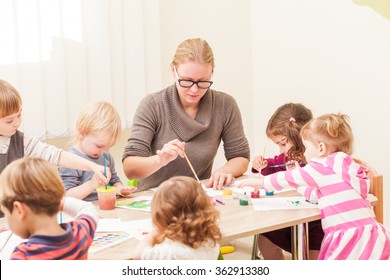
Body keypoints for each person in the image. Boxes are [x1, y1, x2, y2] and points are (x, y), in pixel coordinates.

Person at [239, 113, 390, 260]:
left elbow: (287, 178)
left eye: (305, 147)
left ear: (321, 148)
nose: (304, 152)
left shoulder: (321, 165)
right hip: (372, 235)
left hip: (346, 238)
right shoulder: (347, 167)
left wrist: (260, 183)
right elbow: (318, 195)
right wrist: (300, 185)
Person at [122, 38, 250, 191]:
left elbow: (240, 157)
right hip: (155, 200)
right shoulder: (152, 104)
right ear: (173, 71)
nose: (194, 90)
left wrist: (224, 171)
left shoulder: (225, 105)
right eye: (187, 81)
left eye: (203, 81)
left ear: (212, 73)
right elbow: (129, 168)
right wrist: (160, 160)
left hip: (198, 197)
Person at [251, 103, 323, 260]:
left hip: (317, 223)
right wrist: (262, 165)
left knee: (313, 258)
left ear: (300, 136)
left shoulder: (319, 158)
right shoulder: (288, 157)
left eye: (283, 143)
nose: (281, 150)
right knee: (265, 239)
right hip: (289, 219)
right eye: (278, 145)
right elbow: (273, 167)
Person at [0, 79, 109, 182]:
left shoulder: (22, 141)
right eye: (9, 121)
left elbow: (57, 156)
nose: (17, 123)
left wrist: (92, 166)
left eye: (19, 115)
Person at [0, 157, 99, 260]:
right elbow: (88, 209)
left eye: (5, 212)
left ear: (19, 210)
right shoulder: (80, 233)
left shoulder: (23, 256)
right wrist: (56, 200)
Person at [131, 176, 222, 259]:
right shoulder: (210, 240)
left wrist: (153, 235)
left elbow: (138, 255)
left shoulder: (171, 253)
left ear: (161, 218)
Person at [59, 101, 135, 201]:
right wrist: (92, 184)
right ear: (82, 133)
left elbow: (114, 180)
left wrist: (119, 188)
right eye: (99, 146)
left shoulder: (106, 157)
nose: (104, 151)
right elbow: (66, 197)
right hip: (83, 213)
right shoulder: (70, 160)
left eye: (109, 146)